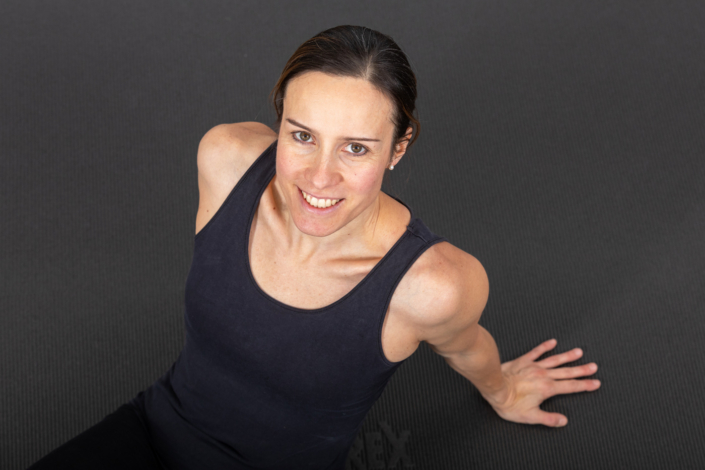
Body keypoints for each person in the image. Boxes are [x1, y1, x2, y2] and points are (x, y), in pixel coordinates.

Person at [28, 25, 600, 470]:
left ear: (397, 149)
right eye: (302, 136)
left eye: (355, 148)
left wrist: (502, 389)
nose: (318, 178)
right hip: (151, 430)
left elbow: (465, 346)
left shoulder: (432, 286)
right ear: (279, 122)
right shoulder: (226, 160)